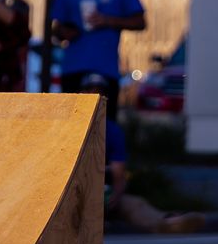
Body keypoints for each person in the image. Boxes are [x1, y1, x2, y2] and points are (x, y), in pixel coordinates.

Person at [77, 74, 204, 234]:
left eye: (98, 93)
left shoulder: (111, 130)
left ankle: (167, 222)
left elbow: (119, 170)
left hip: (101, 193)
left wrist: (116, 195)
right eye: (89, 92)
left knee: (134, 204)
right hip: (77, 195)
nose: (94, 97)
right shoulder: (70, 126)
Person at [50, 0, 145, 117]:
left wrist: (108, 21)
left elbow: (140, 21)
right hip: (73, 67)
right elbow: (56, 27)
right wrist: (66, 33)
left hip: (106, 67)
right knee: (72, 126)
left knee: (104, 127)